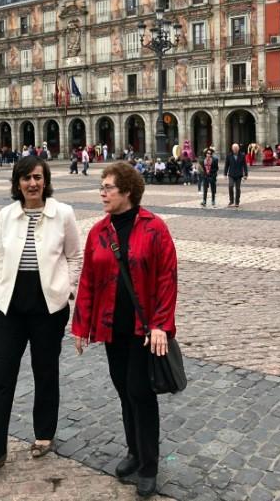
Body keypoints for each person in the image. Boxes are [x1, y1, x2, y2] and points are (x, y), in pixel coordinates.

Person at [72, 162, 177, 498]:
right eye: (101, 188)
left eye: (108, 188)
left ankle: (149, 464)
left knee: (140, 392)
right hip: (111, 328)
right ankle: (133, 452)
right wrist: (81, 327)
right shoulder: (98, 231)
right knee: (123, 390)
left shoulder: (154, 228)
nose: (102, 193)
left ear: (127, 192)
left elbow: (166, 278)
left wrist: (161, 324)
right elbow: (87, 280)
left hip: (143, 330)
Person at [0, 156, 82, 477]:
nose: (32, 184)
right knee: (0, 377)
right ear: (17, 183)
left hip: (48, 307)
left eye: (37, 177)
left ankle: (44, 433)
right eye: (26, 178)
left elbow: (76, 256)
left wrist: (68, 289)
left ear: (45, 181)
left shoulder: (63, 214)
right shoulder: (7, 215)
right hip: (9, 306)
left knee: (45, 371)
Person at [224, 143, 248, 208]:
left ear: (238, 149)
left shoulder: (242, 155)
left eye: (236, 148)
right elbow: (226, 165)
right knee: (230, 186)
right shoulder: (229, 156)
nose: (235, 150)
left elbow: (245, 166)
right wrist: (225, 174)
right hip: (231, 174)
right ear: (232, 149)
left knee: (237, 188)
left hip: (239, 175)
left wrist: (245, 174)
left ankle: (237, 201)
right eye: (234, 148)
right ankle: (231, 200)